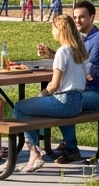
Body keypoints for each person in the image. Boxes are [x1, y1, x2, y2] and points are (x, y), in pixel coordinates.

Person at [39, 0, 99, 163]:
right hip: (81, 91)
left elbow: (88, 73)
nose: (78, 21)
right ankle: (67, 144)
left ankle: (70, 147)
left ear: (92, 17)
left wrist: (62, 68)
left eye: (82, 17)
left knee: (63, 101)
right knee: (64, 98)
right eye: (75, 17)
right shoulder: (77, 38)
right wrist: (53, 54)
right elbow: (75, 63)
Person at [14, 15, 88, 173]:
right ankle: (70, 147)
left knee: (20, 107)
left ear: (60, 30)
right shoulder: (78, 51)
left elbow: (54, 85)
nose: (52, 32)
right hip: (77, 103)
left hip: (64, 101)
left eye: (53, 28)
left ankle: (34, 154)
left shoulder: (63, 51)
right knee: (36, 109)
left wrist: (41, 95)